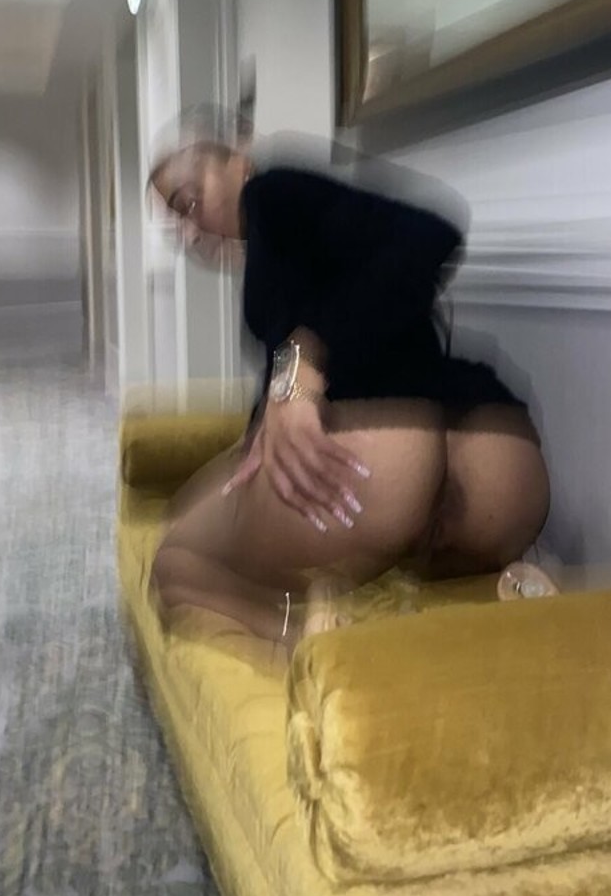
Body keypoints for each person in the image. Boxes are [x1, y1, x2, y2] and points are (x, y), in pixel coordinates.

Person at [146, 129, 551, 651]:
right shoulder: (293, 233)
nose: (189, 231)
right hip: (497, 451)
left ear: (238, 161)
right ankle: (509, 592)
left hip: (381, 454)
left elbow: (429, 235)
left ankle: (309, 645)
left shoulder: (270, 192)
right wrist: (267, 416)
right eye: (175, 223)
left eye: (188, 201)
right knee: (422, 572)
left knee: (175, 563)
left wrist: (304, 362)